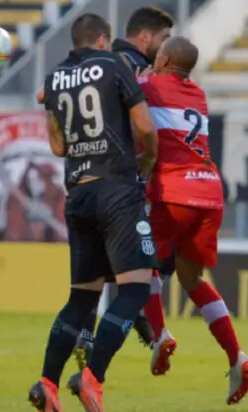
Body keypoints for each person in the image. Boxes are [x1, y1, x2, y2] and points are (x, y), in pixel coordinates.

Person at [27, 13, 158, 412]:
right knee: (136, 288)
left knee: (82, 298)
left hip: (78, 193)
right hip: (116, 189)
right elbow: (144, 126)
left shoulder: (56, 76)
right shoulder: (115, 64)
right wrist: (148, 162)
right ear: (103, 40)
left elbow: (58, 145)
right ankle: (92, 378)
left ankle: (47, 384)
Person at [140, 36, 248, 402]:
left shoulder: (149, 84)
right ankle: (237, 357)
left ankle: (159, 334)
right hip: (209, 191)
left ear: (167, 58)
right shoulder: (199, 94)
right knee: (191, 278)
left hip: (173, 189)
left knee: (143, 265)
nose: (154, 60)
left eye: (159, 56)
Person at [73, 5, 176, 371]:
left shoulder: (103, 63)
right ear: (145, 37)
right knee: (148, 262)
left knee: (106, 267)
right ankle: (139, 329)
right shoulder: (126, 65)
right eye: (163, 40)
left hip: (91, 176)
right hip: (122, 179)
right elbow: (142, 125)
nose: (166, 49)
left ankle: (93, 337)